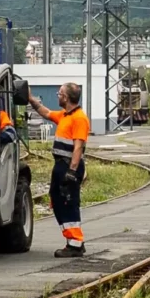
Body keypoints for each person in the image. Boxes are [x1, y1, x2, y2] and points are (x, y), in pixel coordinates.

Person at [39, 82, 91, 258]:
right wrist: (30, 98)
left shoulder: (79, 118)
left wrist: (72, 171)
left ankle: (75, 244)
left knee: (68, 202)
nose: (58, 96)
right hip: (61, 165)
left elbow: (78, 147)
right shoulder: (64, 116)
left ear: (66, 97)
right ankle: (72, 240)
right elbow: (45, 112)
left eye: (59, 93)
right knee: (58, 201)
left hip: (69, 166)